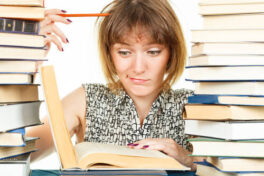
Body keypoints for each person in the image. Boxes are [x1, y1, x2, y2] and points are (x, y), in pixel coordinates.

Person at [27, 0, 203, 171]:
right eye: (124, 52)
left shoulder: (193, 106)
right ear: (110, 53)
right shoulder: (86, 100)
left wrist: (188, 159)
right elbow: (15, 153)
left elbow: (226, 168)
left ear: (172, 52)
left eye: (153, 52)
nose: (139, 68)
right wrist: (23, 59)